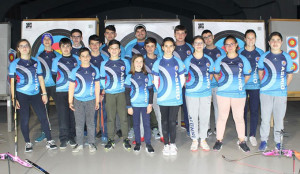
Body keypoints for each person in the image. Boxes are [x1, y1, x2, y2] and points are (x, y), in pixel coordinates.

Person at [9, 39, 57, 152]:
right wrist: (13, 98)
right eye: (22, 46)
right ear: (18, 49)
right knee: (25, 119)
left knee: (43, 117)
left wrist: (44, 93)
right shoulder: (14, 64)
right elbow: (12, 82)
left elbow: (41, 78)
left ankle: (49, 140)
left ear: (29, 48)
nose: (24, 48)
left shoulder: (36, 61)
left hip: (36, 94)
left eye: (26, 45)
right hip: (22, 95)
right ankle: (27, 142)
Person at [212, 35, 251, 152]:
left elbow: (247, 75)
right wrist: (223, 83)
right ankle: (219, 140)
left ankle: (242, 141)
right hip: (223, 93)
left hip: (239, 94)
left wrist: (238, 85)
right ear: (224, 47)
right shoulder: (220, 59)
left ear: (236, 45)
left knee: (239, 118)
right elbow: (216, 73)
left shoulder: (243, 59)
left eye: (232, 44)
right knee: (222, 117)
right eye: (227, 44)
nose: (229, 46)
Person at [258, 32, 294, 151]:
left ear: (281, 42)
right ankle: (264, 140)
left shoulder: (287, 57)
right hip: (266, 92)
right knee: (265, 118)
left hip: (280, 94)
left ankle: (278, 142)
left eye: (278, 40)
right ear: (269, 43)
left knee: (279, 119)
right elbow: (260, 73)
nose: (275, 42)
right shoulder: (264, 56)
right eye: (272, 40)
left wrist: (282, 87)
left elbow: (290, 75)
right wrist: (265, 85)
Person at [152, 37, 186, 156]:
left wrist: (176, 90)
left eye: (170, 46)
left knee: (172, 121)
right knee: (164, 121)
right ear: (162, 48)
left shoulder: (178, 62)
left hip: (175, 97)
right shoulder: (158, 62)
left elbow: (182, 79)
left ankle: (173, 143)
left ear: (174, 47)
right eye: (166, 46)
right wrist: (161, 90)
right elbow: (155, 80)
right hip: (162, 97)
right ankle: (166, 144)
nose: (168, 48)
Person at [100, 39, 131, 150]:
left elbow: (128, 77)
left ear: (119, 50)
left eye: (116, 48)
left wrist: (127, 91)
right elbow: (102, 79)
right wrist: (105, 89)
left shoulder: (125, 62)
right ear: (108, 50)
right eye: (112, 48)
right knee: (110, 118)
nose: (114, 50)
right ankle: (110, 139)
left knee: (123, 117)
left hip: (122, 93)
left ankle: (126, 138)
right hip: (109, 94)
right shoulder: (104, 63)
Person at [184, 36, 214, 151]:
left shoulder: (209, 60)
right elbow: (184, 77)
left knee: (205, 116)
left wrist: (204, 86)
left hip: (205, 93)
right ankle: (195, 139)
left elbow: (210, 75)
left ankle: (203, 139)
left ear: (204, 44)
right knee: (192, 116)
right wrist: (192, 87)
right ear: (192, 45)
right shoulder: (188, 60)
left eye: (200, 43)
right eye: (196, 43)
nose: (199, 45)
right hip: (191, 93)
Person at [68, 47, 100, 153]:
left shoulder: (95, 70)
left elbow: (97, 86)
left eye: (87, 56)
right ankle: (80, 143)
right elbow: (71, 87)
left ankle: (91, 143)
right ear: (79, 58)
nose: (85, 58)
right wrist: (70, 101)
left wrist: (97, 101)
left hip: (91, 100)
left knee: (91, 123)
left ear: (90, 57)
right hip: (78, 101)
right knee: (79, 123)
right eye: (83, 56)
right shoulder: (75, 71)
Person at [52, 38, 80, 149]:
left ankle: (72, 136)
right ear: (60, 48)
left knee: (72, 116)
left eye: (68, 46)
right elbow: (54, 75)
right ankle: (64, 138)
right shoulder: (56, 60)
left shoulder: (77, 59)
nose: (66, 48)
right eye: (63, 46)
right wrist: (62, 85)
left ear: (71, 47)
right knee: (62, 115)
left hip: (74, 92)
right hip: (60, 92)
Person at [238, 30, 264, 146]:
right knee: (242, 111)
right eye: (248, 38)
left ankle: (252, 135)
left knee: (254, 110)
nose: (250, 40)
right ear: (244, 39)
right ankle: (242, 135)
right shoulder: (239, 53)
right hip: (242, 86)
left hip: (256, 86)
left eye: (252, 38)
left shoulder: (260, 53)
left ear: (255, 39)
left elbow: (263, 70)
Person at [125, 54, 155, 153]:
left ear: (143, 63)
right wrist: (129, 106)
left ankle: (148, 143)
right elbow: (126, 92)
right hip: (134, 105)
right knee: (136, 125)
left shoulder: (147, 76)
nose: (139, 64)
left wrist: (150, 104)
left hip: (145, 105)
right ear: (133, 63)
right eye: (136, 61)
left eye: (141, 61)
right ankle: (138, 142)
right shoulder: (129, 76)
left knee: (147, 124)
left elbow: (151, 91)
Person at [34, 33, 60, 142]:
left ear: (52, 41)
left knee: (61, 109)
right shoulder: (38, 56)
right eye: (45, 39)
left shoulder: (57, 56)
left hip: (56, 86)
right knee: (44, 110)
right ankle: (44, 132)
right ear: (42, 42)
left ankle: (64, 132)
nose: (47, 41)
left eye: (49, 39)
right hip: (43, 87)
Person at [100, 25, 124, 138]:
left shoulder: (121, 49)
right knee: (107, 112)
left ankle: (120, 130)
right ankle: (107, 132)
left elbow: (124, 69)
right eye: (107, 33)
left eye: (111, 33)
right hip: (106, 85)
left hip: (120, 87)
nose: (109, 35)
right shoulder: (100, 49)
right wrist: (103, 87)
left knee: (121, 113)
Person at [201, 30, 226, 136]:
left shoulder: (222, 52)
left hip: (218, 84)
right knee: (205, 107)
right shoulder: (200, 51)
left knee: (218, 107)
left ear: (213, 36)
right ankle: (206, 128)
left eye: (209, 36)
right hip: (205, 84)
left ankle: (217, 126)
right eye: (205, 37)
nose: (207, 39)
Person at [173, 25, 194, 136]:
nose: (180, 36)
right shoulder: (170, 47)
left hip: (187, 83)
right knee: (173, 108)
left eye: (182, 33)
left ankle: (189, 128)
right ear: (174, 34)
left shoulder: (190, 47)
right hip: (173, 83)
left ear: (185, 35)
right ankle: (171, 130)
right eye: (178, 33)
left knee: (187, 107)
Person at [88, 34, 109, 144]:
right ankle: (91, 136)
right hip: (89, 91)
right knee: (91, 115)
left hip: (101, 90)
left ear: (100, 45)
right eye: (92, 44)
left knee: (103, 113)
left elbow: (107, 76)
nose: (95, 46)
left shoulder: (105, 58)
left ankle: (104, 134)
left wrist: (103, 91)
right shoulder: (86, 58)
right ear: (89, 45)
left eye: (97, 44)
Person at [144, 37, 162, 141]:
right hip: (145, 92)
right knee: (145, 114)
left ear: (155, 47)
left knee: (158, 114)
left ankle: (160, 132)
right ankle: (145, 134)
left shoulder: (160, 60)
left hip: (157, 91)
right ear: (145, 47)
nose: (150, 48)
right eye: (148, 46)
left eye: (152, 46)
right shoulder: (141, 60)